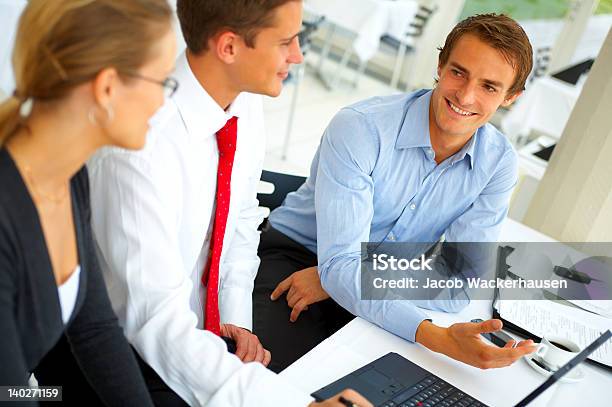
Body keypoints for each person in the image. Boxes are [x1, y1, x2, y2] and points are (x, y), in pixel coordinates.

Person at [79, 0, 369, 406]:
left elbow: (241, 215)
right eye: (285, 41)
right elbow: (154, 321)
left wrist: (233, 320)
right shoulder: (141, 146)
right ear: (229, 47)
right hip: (132, 355)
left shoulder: (241, 100)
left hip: (203, 331)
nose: (299, 55)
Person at [253, 13, 540, 372]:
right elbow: (346, 266)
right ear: (440, 65)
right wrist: (439, 338)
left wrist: (341, 276)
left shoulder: (497, 163)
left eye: (489, 87)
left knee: (386, 384)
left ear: (511, 96)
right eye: (458, 72)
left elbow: (460, 284)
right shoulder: (363, 128)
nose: (465, 95)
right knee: (276, 375)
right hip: (296, 256)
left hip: (371, 271)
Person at [0, 0, 176, 404]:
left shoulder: (70, 177)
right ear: (108, 87)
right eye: (163, 82)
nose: (164, 103)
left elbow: (94, 326)